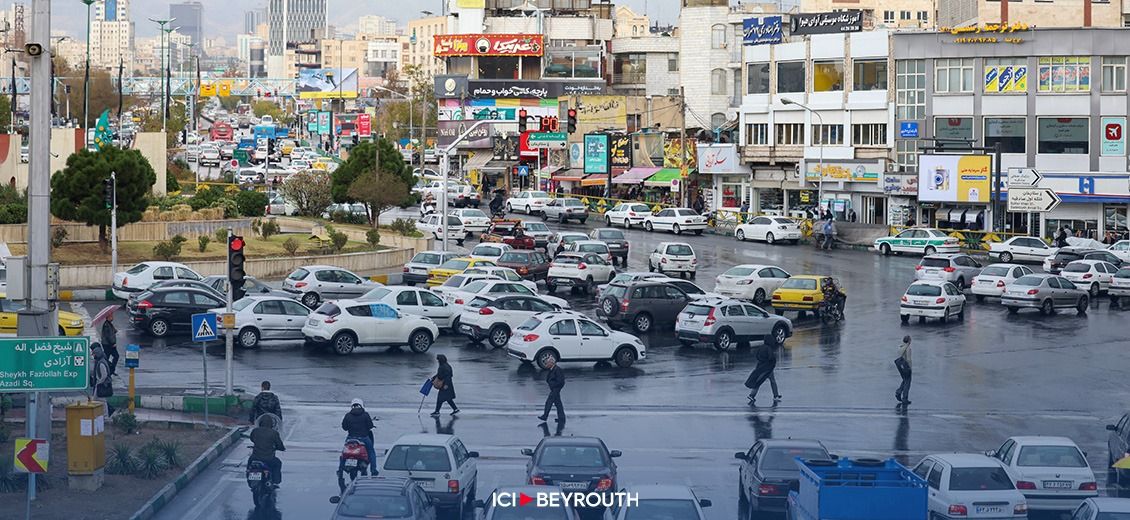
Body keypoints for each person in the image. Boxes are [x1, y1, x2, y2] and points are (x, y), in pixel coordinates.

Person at [341, 399, 378, 471]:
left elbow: (344, 428)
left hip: (351, 438)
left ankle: (340, 468)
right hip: (364, 437)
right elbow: (370, 426)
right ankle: (373, 469)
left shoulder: (348, 415)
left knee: (344, 452)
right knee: (371, 451)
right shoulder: (365, 415)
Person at [249, 415, 286, 485]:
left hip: (255, 457)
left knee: (250, 465)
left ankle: (249, 477)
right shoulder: (274, 433)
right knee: (277, 463)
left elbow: (252, 439)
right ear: (271, 424)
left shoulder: (255, 431)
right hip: (269, 458)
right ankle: (275, 481)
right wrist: (281, 448)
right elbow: (279, 444)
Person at [538, 358, 566, 423]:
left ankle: (545, 416)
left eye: (547, 363)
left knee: (549, 402)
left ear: (551, 363)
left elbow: (561, 381)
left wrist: (554, 385)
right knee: (558, 403)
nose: (546, 364)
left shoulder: (557, 370)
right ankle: (561, 418)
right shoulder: (552, 369)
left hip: (555, 389)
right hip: (554, 388)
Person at [92, 345, 114, 417]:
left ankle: (105, 415)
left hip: (102, 385)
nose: (93, 356)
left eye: (94, 354)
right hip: (101, 384)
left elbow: (104, 375)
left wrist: (99, 382)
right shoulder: (101, 361)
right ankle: (101, 415)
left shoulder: (101, 363)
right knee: (97, 400)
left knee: (101, 401)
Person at [895, 335, 913, 405]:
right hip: (905, 366)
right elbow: (908, 359)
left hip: (900, 366)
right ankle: (904, 398)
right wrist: (910, 368)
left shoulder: (900, 347)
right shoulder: (908, 348)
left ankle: (898, 392)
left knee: (905, 380)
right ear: (909, 341)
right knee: (908, 382)